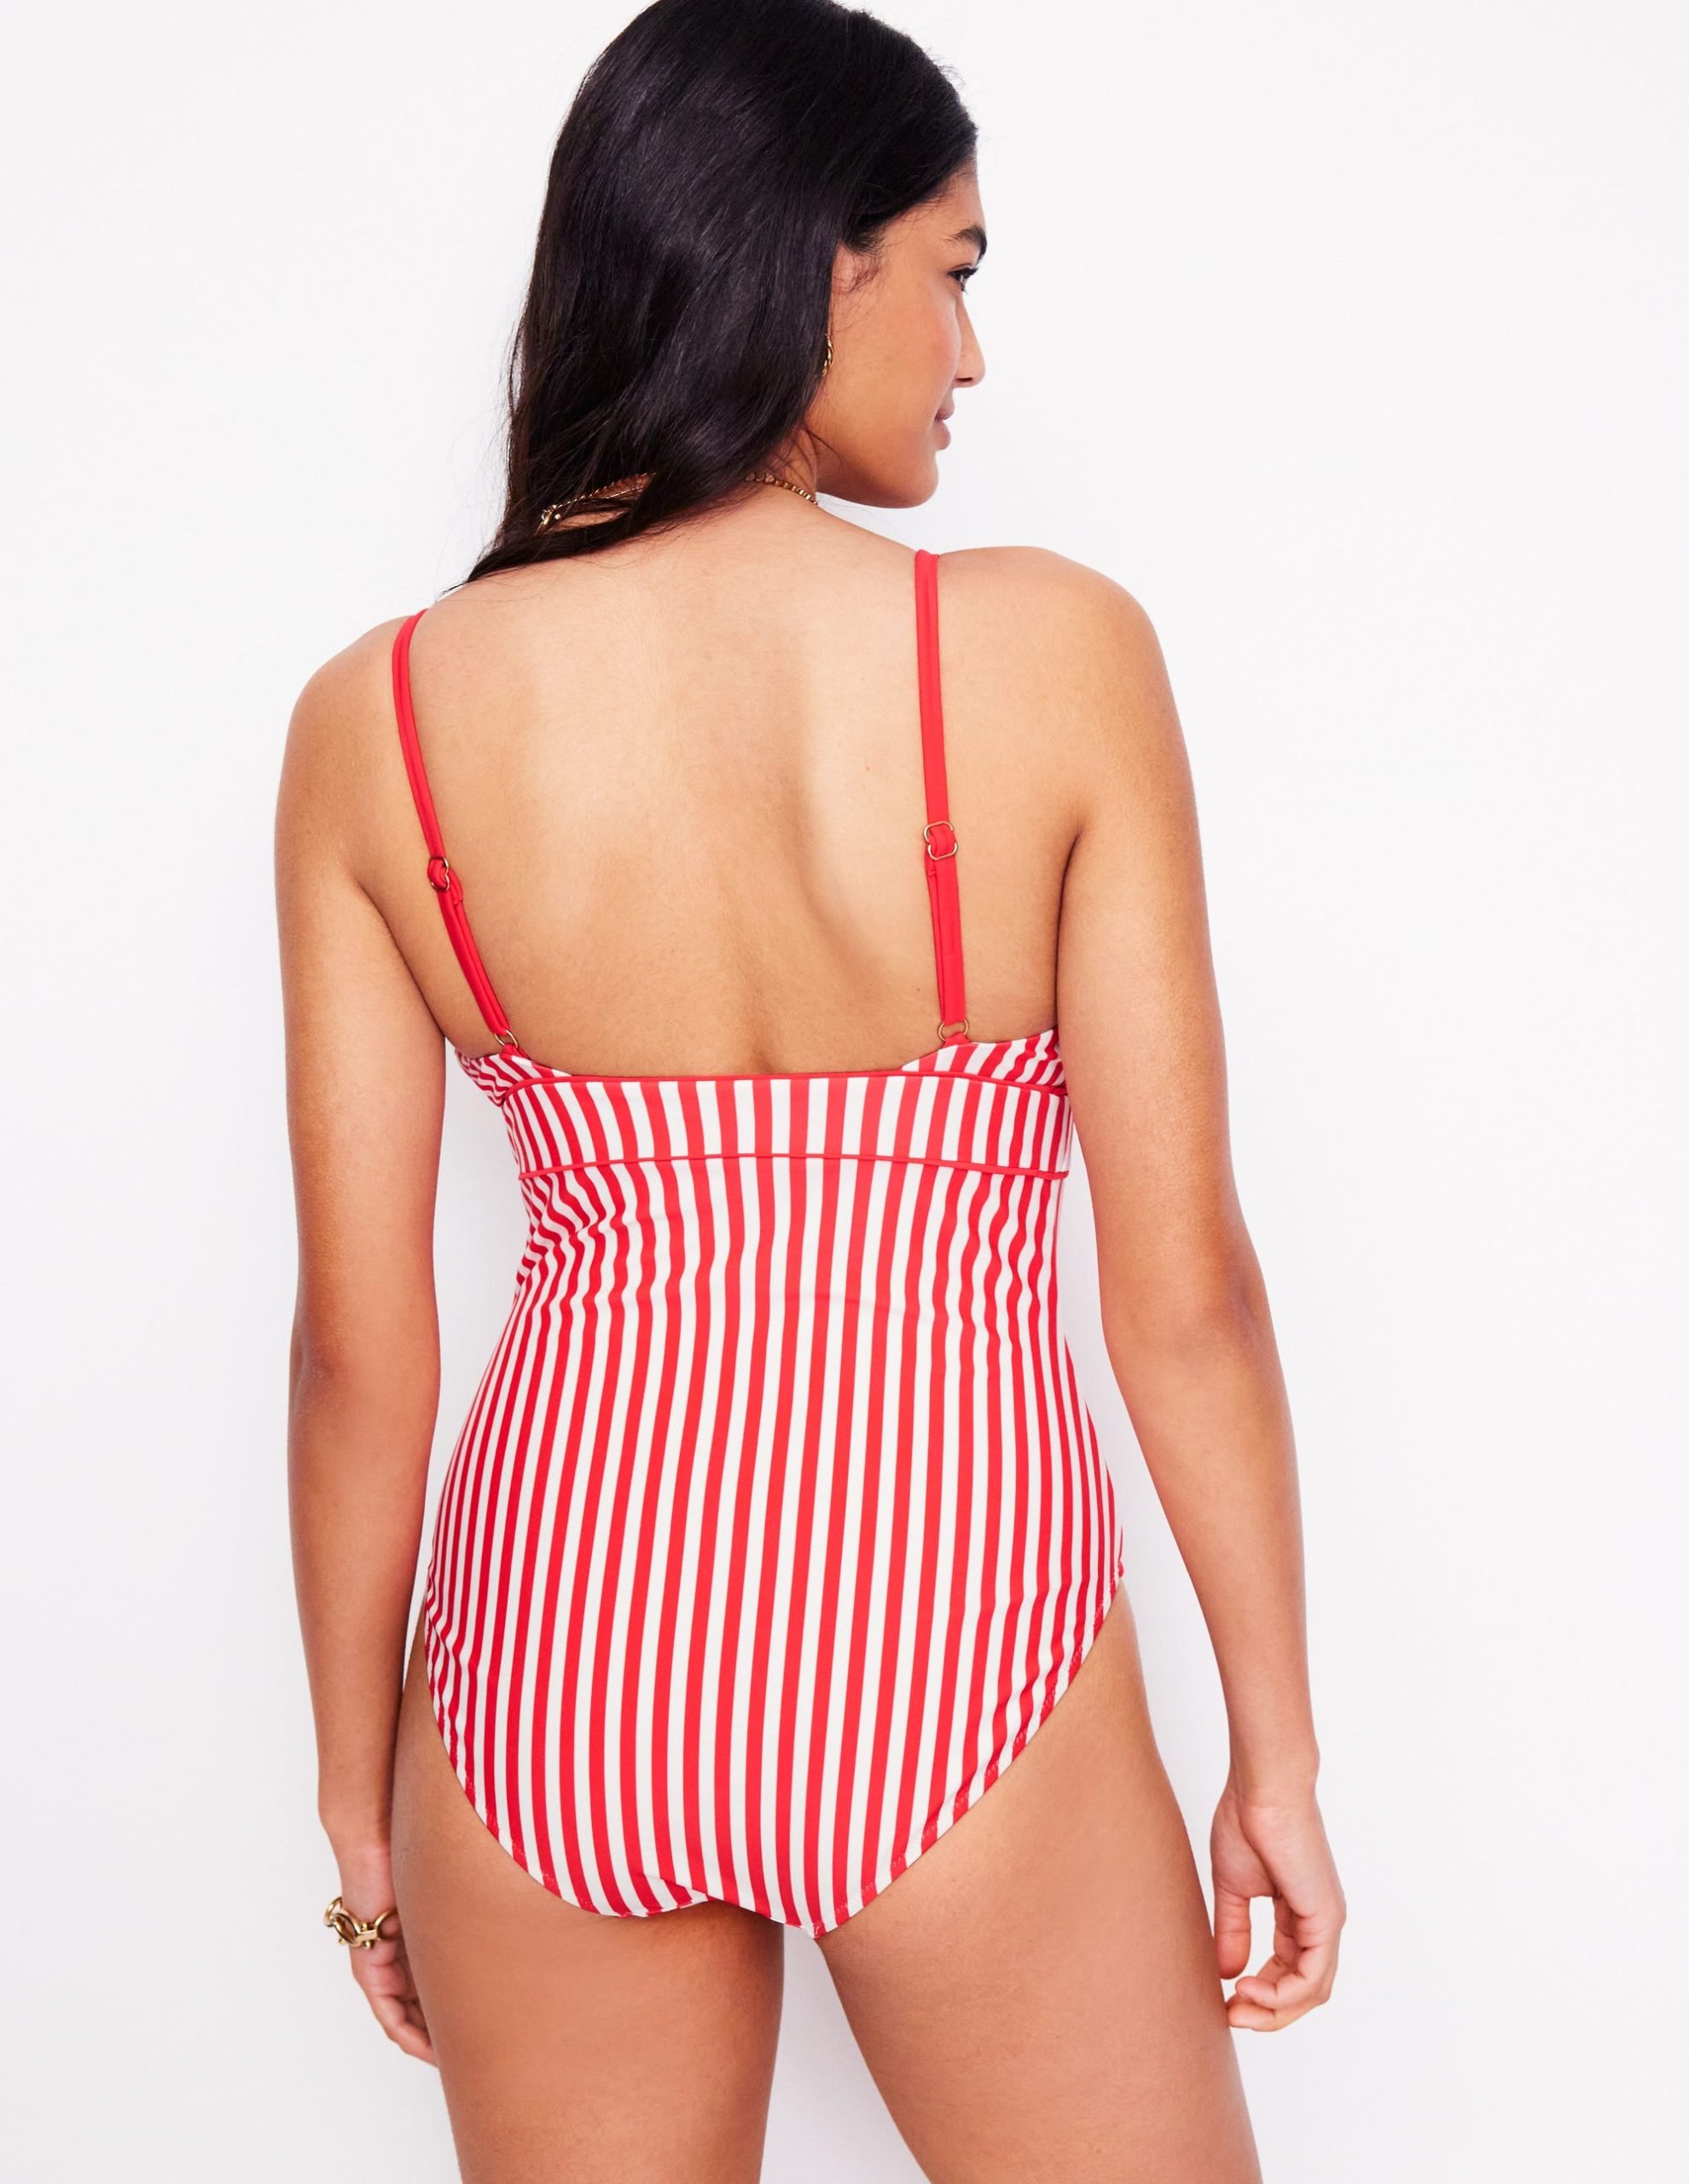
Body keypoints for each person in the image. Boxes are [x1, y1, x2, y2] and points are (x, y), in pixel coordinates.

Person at [276, 1, 1344, 2175]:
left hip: (547, 1655)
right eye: (951, 271)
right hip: (953, 1625)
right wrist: (1276, 1747)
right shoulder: (1053, 651)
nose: (972, 355)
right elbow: (1186, 1292)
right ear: (810, 257)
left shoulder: (376, 720)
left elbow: (359, 1353)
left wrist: (356, 1800)